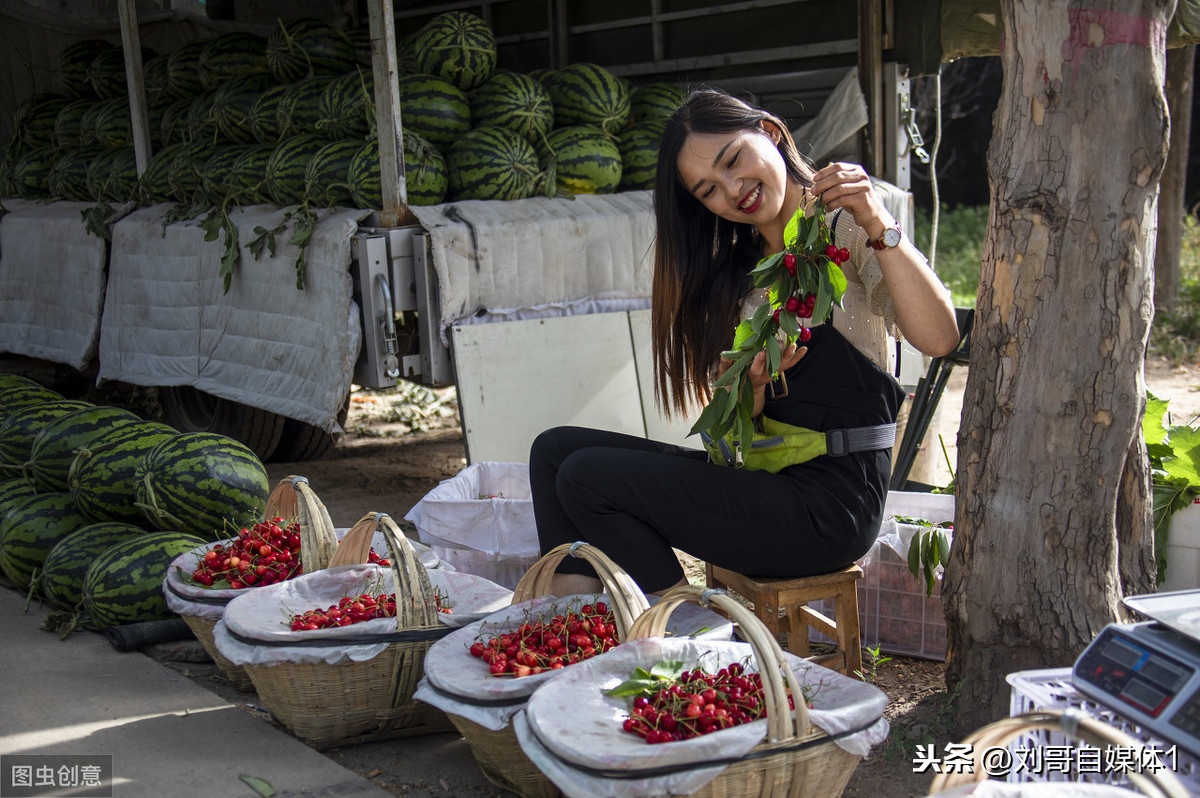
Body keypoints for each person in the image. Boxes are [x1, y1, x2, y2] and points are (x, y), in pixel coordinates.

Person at [529, 88, 960, 597]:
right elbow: (733, 445)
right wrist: (750, 396)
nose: (733, 190)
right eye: (708, 190)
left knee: (586, 475)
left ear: (770, 134)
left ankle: (684, 628)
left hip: (831, 507)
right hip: (766, 482)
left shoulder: (843, 227)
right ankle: (570, 624)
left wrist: (879, 224)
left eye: (733, 161)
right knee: (554, 452)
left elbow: (940, 337)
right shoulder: (739, 275)